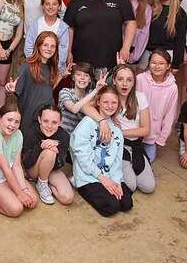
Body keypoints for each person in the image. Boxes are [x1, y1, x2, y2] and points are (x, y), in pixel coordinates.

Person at [64, 0, 136, 75]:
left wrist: (126, 47)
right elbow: (69, 27)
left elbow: (131, 23)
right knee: (82, 92)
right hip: (82, 62)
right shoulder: (77, 0)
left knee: (107, 92)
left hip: (110, 61)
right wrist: (68, 51)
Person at [70, 84, 133, 217]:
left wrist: (116, 180)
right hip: (88, 176)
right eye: (105, 102)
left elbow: (117, 160)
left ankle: (107, 189)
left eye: (114, 102)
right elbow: (82, 157)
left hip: (108, 174)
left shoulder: (116, 129)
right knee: (112, 207)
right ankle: (78, 184)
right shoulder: (87, 123)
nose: (110, 106)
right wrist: (101, 179)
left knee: (127, 203)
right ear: (98, 102)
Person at [0, 103, 38, 217]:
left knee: (33, 201)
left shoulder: (18, 134)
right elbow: (5, 168)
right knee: (16, 209)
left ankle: (9, 194)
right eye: (9, 120)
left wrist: (24, 189)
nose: (12, 125)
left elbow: (16, 165)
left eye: (17, 122)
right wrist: (19, 194)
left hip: (9, 175)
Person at [109, 65, 154, 194]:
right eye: (120, 79)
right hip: (119, 145)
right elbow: (88, 107)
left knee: (148, 187)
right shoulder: (110, 98)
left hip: (136, 145)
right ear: (114, 81)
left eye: (129, 80)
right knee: (130, 186)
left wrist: (121, 132)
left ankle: (135, 166)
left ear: (134, 82)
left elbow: (145, 130)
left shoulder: (140, 97)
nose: (124, 84)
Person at [6, 31, 62, 134]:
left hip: (47, 121)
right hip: (29, 120)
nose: (49, 49)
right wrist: (11, 90)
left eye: (52, 46)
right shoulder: (27, 67)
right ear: (38, 46)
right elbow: (14, 94)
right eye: (45, 45)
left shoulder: (53, 68)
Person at [21, 104, 74, 205]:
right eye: (45, 121)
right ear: (39, 119)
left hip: (51, 168)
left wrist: (57, 149)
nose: (49, 126)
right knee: (49, 152)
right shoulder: (30, 131)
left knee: (67, 198)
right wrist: (42, 146)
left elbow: (60, 164)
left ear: (60, 122)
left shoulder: (64, 135)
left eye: (54, 122)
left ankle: (45, 182)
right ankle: (42, 183)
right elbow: (26, 163)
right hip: (33, 169)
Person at [136, 49, 178, 162]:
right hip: (135, 131)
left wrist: (162, 138)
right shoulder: (140, 79)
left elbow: (170, 114)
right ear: (148, 63)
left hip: (152, 135)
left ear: (168, 66)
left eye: (161, 63)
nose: (157, 66)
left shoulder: (172, 87)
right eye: (153, 62)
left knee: (148, 160)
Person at [141, 0, 186, 71]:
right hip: (148, 53)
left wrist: (176, 64)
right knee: (141, 82)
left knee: (160, 85)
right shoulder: (152, 9)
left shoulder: (180, 13)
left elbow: (180, 40)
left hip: (167, 54)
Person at [24, 0, 71, 74]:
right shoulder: (34, 25)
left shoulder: (63, 28)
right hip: (35, 68)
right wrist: (35, 66)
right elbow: (28, 48)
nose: (50, 7)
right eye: (47, 4)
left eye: (54, 4)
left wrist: (53, 69)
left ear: (59, 7)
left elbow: (63, 52)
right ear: (43, 6)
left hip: (55, 70)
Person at [123, 0, 152, 65]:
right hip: (116, 49)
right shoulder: (121, 3)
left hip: (133, 52)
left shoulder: (147, 9)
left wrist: (134, 56)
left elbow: (144, 34)